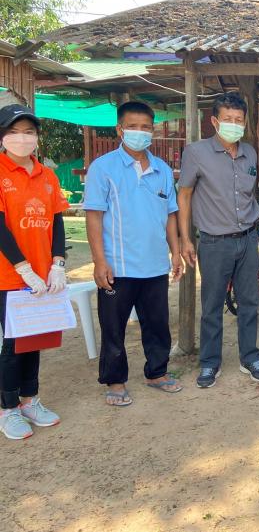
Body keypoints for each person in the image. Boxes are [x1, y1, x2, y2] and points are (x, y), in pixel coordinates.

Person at [178, 93, 259, 388]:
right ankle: (209, 362)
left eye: (239, 120)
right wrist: (186, 239)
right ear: (215, 121)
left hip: (247, 240)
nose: (234, 124)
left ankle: (250, 357)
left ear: (245, 122)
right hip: (214, 242)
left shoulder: (250, 153)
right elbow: (184, 196)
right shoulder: (196, 153)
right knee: (212, 304)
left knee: (249, 301)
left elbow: (248, 197)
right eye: (228, 119)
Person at [84, 101, 185, 406]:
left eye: (145, 127)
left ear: (152, 130)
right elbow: (94, 217)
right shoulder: (103, 168)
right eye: (132, 126)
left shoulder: (162, 169)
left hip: (154, 264)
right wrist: (100, 261)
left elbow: (170, 215)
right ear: (120, 129)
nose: (139, 132)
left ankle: (157, 372)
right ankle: (115, 381)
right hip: (118, 266)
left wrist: (175, 252)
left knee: (157, 324)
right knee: (113, 327)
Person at [0, 104, 68, 439]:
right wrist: (23, 268)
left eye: (28, 132)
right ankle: (8, 408)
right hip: (10, 276)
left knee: (34, 339)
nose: (22, 138)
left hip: (43, 276)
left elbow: (57, 221)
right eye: (14, 132)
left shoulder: (47, 175)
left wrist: (58, 263)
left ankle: (30, 400)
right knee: (13, 343)